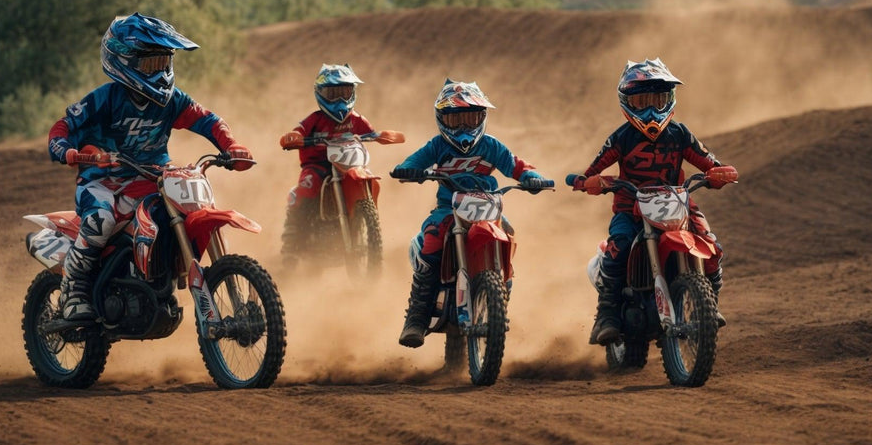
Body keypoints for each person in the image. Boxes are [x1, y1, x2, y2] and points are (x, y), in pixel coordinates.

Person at [47, 13, 253, 321]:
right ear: (124, 60)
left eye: (163, 62)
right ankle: (74, 288)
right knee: (101, 220)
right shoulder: (106, 99)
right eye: (150, 64)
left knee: (188, 205)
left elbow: (208, 120)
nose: (159, 71)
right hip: (104, 182)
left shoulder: (171, 101)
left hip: (154, 178)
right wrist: (67, 150)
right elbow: (64, 125)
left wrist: (231, 146)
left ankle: (159, 277)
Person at [569, 58, 738, 346]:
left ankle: (709, 305)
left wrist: (718, 173)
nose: (651, 109)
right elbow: (594, 168)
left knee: (712, 247)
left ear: (669, 100)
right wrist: (587, 181)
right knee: (618, 248)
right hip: (630, 208)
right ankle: (607, 315)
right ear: (627, 102)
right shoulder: (621, 138)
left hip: (677, 203)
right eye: (642, 100)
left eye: (658, 99)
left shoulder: (680, 134)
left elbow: (708, 161)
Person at [389, 79, 550, 348]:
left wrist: (533, 177)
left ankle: (498, 302)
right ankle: (416, 319)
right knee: (431, 241)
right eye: (456, 120)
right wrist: (408, 170)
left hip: (488, 208)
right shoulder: (437, 146)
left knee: (508, 234)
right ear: (442, 120)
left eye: (471, 117)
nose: (464, 126)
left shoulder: (491, 146)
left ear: (482, 117)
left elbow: (517, 166)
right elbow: (412, 162)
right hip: (449, 210)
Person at [278, 64, 400, 258]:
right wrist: (294, 137)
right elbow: (299, 131)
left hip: (349, 165)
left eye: (345, 92)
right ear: (320, 93)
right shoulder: (315, 120)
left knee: (370, 179)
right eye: (333, 93)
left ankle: (364, 221)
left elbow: (370, 132)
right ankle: (291, 246)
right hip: (317, 165)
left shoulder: (356, 119)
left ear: (353, 92)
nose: (340, 99)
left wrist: (380, 136)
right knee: (304, 189)